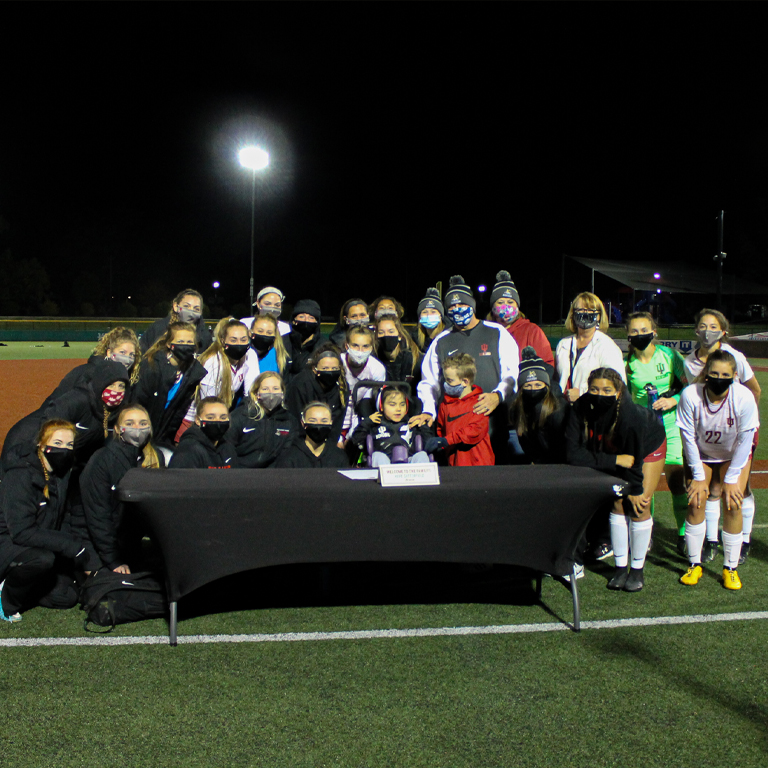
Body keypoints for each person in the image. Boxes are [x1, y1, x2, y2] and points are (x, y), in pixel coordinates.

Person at [565, 367, 666, 592]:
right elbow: (573, 454)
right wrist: (613, 460)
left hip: (647, 447)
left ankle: (637, 570)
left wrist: (637, 489)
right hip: (617, 453)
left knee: (639, 504)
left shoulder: (632, 416)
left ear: (618, 391)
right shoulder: (581, 406)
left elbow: (634, 459)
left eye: (606, 390)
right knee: (618, 502)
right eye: (594, 389)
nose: (600, 394)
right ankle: (620, 569)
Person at [683, 308, 762, 564]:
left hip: (737, 432)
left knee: (737, 490)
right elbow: (692, 415)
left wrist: (744, 422)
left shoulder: (735, 358)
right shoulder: (689, 364)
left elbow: (754, 391)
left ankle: (744, 539)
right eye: (703, 325)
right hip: (705, 435)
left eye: (713, 326)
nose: (708, 331)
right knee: (708, 490)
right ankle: (711, 540)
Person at [676, 350, 759, 590]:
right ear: (705, 374)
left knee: (733, 502)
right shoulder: (690, 394)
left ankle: (730, 568)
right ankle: (694, 564)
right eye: (713, 373)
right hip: (701, 453)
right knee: (696, 501)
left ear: (734, 375)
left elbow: (746, 440)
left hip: (732, 455)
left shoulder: (743, 397)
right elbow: (688, 437)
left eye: (725, 374)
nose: (719, 378)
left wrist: (732, 478)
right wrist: (699, 477)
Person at [0, 420, 98, 623]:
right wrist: (68, 545)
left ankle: (22, 583)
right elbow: (20, 531)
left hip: (30, 543)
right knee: (42, 560)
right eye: (58, 443)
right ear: (41, 445)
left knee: (66, 597)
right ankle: (5, 599)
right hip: (8, 541)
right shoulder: (20, 475)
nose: (64, 449)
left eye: (69, 445)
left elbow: (62, 517)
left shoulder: (61, 473)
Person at [417, 275, 519, 462]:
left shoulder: (496, 332)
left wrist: (497, 396)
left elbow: (512, 374)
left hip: (493, 424)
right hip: (455, 431)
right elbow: (429, 382)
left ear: (472, 305)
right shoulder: (441, 340)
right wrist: (429, 410)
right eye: (452, 307)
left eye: (461, 304)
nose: (457, 309)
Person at [624, 312, 689, 552]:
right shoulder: (627, 366)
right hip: (644, 431)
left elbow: (689, 388)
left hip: (671, 427)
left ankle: (683, 534)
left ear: (654, 332)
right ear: (628, 335)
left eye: (645, 330)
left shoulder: (670, 356)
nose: (640, 335)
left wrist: (674, 400)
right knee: (644, 487)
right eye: (635, 331)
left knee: (677, 482)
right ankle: (645, 533)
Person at [2, 359, 131, 476]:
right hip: (29, 441)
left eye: (121, 386)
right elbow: (47, 429)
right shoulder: (78, 400)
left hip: (63, 457)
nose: (116, 391)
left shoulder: (116, 412)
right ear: (100, 384)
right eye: (111, 385)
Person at [80, 405, 164, 575]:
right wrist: (113, 560)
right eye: (130, 423)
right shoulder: (102, 459)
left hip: (125, 544)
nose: (137, 429)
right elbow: (98, 515)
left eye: (142, 423)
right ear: (118, 429)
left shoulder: (155, 457)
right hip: (93, 543)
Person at [133, 322, 207, 447]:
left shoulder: (193, 372)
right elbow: (138, 401)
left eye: (189, 342)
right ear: (169, 344)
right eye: (181, 341)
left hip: (164, 435)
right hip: (141, 429)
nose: (185, 346)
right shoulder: (152, 367)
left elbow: (178, 412)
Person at [183, 317, 260, 426]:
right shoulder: (213, 362)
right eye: (233, 340)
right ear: (223, 341)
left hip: (219, 416)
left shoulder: (249, 355)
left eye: (243, 339)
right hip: (195, 419)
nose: (239, 344)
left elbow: (251, 391)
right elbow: (207, 404)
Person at [555, 292, 625, 404]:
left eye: (590, 310)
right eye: (581, 309)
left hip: (592, 408)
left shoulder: (607, 346)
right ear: (573, 314)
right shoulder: (563, 344)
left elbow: (617, 384)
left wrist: (583, 394)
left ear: (599, 316)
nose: (585, 313)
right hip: (564, 409)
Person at [425, 353, 494, 466]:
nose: (446, 384)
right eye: (445, 380)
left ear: (465, 382)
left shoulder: (480, 402)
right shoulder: (445, 403)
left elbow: (475, 430)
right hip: (454, 463)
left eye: (450, 380)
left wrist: (447, 441)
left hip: (479, 464)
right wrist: (441, 445)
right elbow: (441, 430)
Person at [43, 327, 141, 405]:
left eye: (132, 355)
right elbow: (55, 404)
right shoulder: (84, 373)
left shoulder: (132, 380)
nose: (127, 359)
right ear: (109, 352)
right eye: (122, 352)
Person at [508, 347, 568, 465]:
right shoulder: (517, 407)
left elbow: (564, 445)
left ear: (546, 385)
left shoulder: (558, 408)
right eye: (527, 385)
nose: (533, 389)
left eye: (537, 384)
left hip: (559, 463)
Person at [228, 372, 298, 468]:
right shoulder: (241, 416)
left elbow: (286, 454)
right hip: (241, 472)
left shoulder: (288, 421)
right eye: (265, 389)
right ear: (257, 393)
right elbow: (228, 447)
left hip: (272, 476)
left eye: (275, 388)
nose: (271, 392)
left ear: (282, 393)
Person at [350, 386, 431, 466]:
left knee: (422, 455)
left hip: (409, 464)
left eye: (402, 404)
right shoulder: (375, 423)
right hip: (385, 462)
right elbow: (356, 440)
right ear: (382, 406)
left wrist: (423, 426)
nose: (398, 409)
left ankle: (424, 479)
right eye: (392, 405)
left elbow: (429, 445)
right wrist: (367, 422)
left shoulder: (411, 423)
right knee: (378, 456)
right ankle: (387, 478)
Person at [285, 344, 348, 446]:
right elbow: (295, 421)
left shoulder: (342, 387)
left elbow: (336, 427)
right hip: (299, 442)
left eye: (334, 368)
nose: (330, 372)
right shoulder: (300, 383)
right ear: (315, 368)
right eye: (325, 368)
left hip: (327, 444)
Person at [488, 270, 554, 367]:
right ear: (492, 307)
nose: (506, 306)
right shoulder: (485, 331)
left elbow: (547, 363)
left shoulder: (532, 331)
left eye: (510, 302)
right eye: (500, 302)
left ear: (517, 307)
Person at [341, 325, 387, 439]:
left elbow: (375, 400)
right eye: (355, 346)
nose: (360, 351)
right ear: (347, 346)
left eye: (365, 346)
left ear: (372, 347)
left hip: (360, 415)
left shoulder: (377, 369)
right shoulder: (337, 363)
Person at [275, 402, 349, 469]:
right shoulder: (289, 457)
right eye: (313, 421)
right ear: (303, 423)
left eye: (324, 421)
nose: (319, 424)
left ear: (331, 423)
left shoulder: (339, 457)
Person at [169, 397, 235, 468]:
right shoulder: (189, 449)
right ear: (197, 420)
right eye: (210, 418)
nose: (217, 421)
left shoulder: (227, 447)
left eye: (223, 418)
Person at [139, 289, 212, 353]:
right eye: (186, 306)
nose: (191, 311)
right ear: (176, 306)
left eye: (196, 309)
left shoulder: (205, 338)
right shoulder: (158, 329)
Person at [375, 315, 422, 386]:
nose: (386, 335)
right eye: (381, 332)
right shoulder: (375, 358)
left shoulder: (415, 358)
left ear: (399, 335)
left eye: (391, 332)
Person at [287, 299, 328, 375]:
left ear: (317, 322)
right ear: (293, 320)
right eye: (301, 316)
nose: (306, 320)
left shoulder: (324, 345)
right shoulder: (283, 342)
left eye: (311, 318)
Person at [248, 314, 291, 380]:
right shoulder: (244, 354)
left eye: (269, 333)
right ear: (250, 333)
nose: (264, 334)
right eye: (260, 331)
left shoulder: (279, 357)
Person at [411, 287, 448, 353]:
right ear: (420, 317)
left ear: (440, 316)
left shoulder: (449, 335)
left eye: (433, 312)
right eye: (425, 312)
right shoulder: (413, 340)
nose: (429, 315)